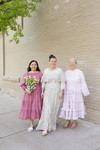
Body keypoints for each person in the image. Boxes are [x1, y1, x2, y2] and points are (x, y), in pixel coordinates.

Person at [36, 54, 65, 136]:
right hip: (48, 90)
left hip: (56, 90)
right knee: (47, 108)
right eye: (52, 61)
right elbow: (43, 82)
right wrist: (42, 92)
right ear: (49, 62)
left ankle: (53, 124)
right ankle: (45, 128)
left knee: (55, 108)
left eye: (55, 61)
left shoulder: (59, 70)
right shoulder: (46, 71)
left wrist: (61, 92)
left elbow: (62, 81)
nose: (53, 62)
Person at [60, 58, 90, 129]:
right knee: (68, 106)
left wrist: (85, 92)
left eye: (73, 62)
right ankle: (67, 121)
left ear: (76, 64)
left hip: (76, 94)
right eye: (70, 62)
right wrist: (61, 92)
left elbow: (83, 82)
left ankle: (74, 122)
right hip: (68, 93)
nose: (72, 64)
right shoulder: (66, 73)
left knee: (74, 107)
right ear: (69, 64)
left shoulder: (79, 72)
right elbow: (63, 83)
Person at [19, 60, 43, 132]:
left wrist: (42, 93)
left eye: (35, 64)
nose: (33, 66)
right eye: (32, 64)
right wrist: (27, 90)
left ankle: (41, 124)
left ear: (37, 66)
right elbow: (22, 85)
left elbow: (42, 84)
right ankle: (31, 125)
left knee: (39, 108)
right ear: (30, 66)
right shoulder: (26, 74)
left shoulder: (40, 74)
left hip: (37, 94)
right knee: (30, 109)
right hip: (29, 95)